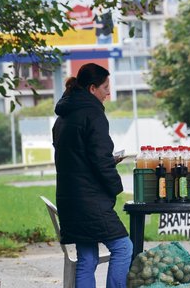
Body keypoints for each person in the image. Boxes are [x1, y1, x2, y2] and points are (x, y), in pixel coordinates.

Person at [52, 63, 132, 288]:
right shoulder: (93, 115)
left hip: (70, 198)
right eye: (105, 87)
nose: (108, 92)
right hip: (90, 199)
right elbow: (100, 159)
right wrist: (116, 187)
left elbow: (76, 156)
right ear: (92, 89)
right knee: (123, 247)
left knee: (87, 257)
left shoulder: (63, 117)